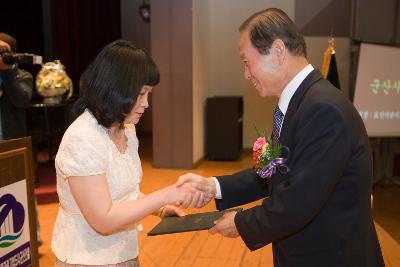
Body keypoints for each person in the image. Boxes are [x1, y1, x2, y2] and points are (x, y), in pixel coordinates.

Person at [178, 8, 385, 267]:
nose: (246, 73)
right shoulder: (301, 103)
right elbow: (274, 173)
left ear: (277, 51)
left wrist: (242, 223)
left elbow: (300, 200)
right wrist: (214, 186)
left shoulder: (323, 109)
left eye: (246, 61)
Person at [52, 40, 200, 266]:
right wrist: (165, 195)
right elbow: (104, 220)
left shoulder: (126, 129)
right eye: (141, 94)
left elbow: (123, 192)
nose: (146, 104)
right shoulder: (82, 139)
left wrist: (160, 209)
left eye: (148, 94)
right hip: (88, 258)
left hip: (124, 253)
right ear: (115, 91)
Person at [0, 32, 33, 140]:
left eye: (2, 51)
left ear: (13, 54)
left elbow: (21, 101)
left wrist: (6, 72)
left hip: (11, 140)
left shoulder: (23, 76)